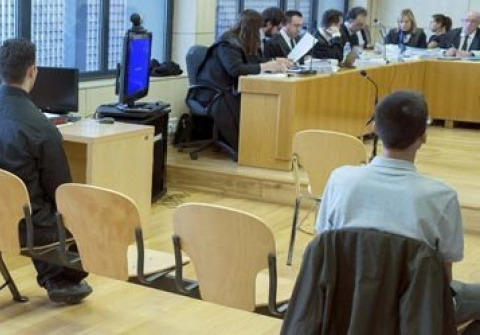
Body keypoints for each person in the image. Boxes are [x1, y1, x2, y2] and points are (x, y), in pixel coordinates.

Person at [316, 90, 480, 325]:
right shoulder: (442, 197)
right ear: (423, 135)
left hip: (345, 308)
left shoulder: (339, 180)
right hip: (413, 315)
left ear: (374, 129)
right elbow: (442, 281)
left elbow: (323, 250)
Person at [0, 38, 93, 304]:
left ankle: (56, 277)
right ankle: (59, 278)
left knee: (32, 205)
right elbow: (62, 192)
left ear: (0, 70)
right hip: (27, 230)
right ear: (33, 71)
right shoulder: (41, 129)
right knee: (79, 213)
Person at [196, 10, 293, 153]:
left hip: (231, 88)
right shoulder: (227, 42)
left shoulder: (241, 41)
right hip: (216, 92)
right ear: (253, 29)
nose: (262, 33)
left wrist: (273, 61)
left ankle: (267, 147)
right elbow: (235, 69)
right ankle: (250, 149)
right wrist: (265, 66)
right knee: (256, 105)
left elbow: (253, 62)